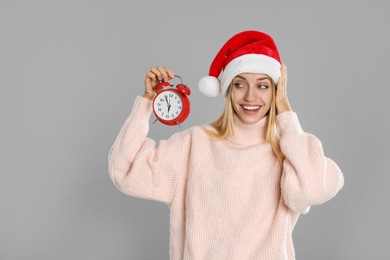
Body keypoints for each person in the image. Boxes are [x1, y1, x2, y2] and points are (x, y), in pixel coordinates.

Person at [108, 30, 344, 260]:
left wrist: (286, 114)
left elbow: (311, 190)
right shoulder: (194, 145)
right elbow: (124, 171)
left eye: (263, 85)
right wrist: (147, 101)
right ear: (228, 89)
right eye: (240, 84)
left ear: (276, 91)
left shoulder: (289, 151)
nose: (251, 97)